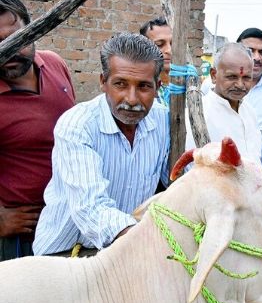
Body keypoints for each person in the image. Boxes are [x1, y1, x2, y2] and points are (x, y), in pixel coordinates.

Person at [33, 32, 169, 256]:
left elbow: (180, 180)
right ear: (103, 82)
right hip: (66, 254)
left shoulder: (164, 121)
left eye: (144, 87)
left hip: (127, 250)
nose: (132, 99)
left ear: (158, 87)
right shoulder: (78, 125)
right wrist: (150, 239)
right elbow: (90, 207)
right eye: (120, 84)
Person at [0, 0, 76, 261]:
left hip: (66, 220)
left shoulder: (55, 64)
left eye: (13, 39)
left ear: (31, 30)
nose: (7, 51)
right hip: (19, 236)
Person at [185, 43, 261, 161]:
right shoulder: (199, 114)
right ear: (214, 75)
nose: (240, 85)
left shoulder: (250, 111)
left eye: (246, 77)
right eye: (232, 77)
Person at [140, 16, 172, 106]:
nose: (169, 50)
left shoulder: (188, 88)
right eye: (159, 44)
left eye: (172, 44)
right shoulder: (137, 91)